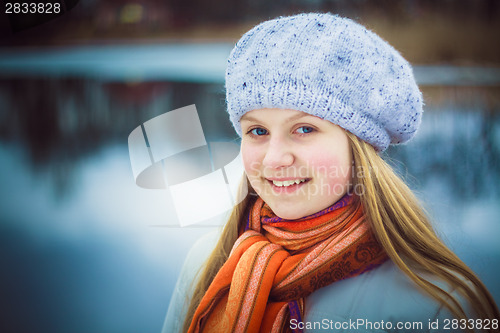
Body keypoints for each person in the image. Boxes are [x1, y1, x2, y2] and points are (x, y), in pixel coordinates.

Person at [162, 13, 499, 333]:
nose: (275, 158)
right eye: (258, 131)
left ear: (358, 148)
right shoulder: (209, 264)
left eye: (305, 129)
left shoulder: (435, 305)